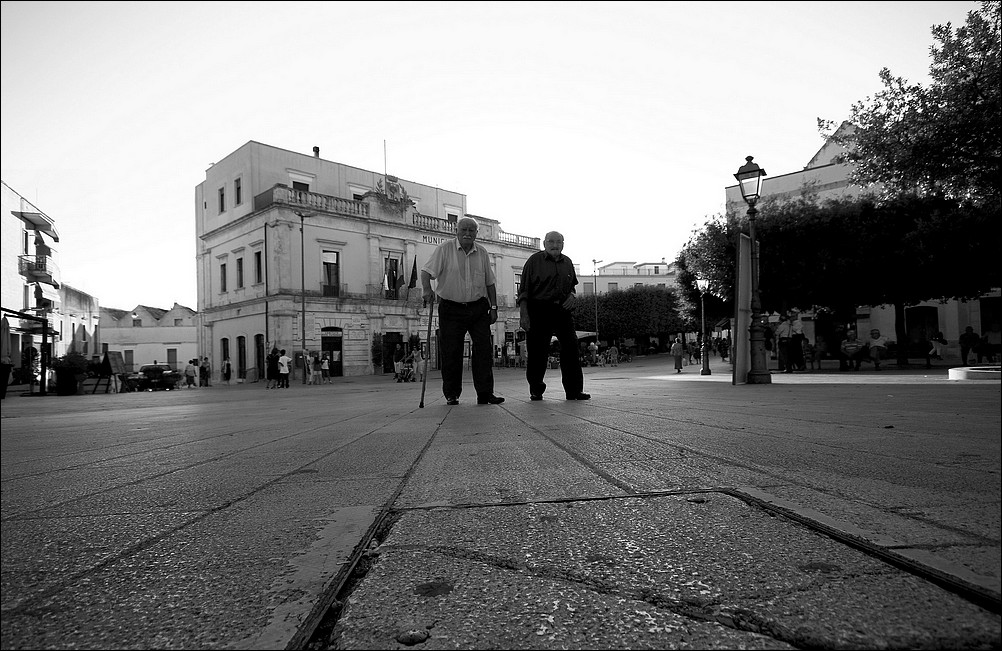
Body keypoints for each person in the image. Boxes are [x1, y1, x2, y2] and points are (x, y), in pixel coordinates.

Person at [421, 216, 504, 406]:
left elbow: (490, 283)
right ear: (456, 231)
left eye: (471, 230)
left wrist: (493, 307)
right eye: (464, 229)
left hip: (478, 307)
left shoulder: (482, 252)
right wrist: (426, 289)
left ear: (476, 233)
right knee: (451, 352)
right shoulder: (444, 249)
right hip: (451, 308)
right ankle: (452, 394)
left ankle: (485, 393)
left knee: (483, 350)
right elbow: (426, 272)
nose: (467, 233)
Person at [515, 231, 589, 401]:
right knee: (537, 352)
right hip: (539, 310)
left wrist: (572, 296)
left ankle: (574, 391)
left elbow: (572, 287)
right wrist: (524, 315)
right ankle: (536, 389)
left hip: (562, 310)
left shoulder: (567, 262)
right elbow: (524, 290)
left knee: (571, 348)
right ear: (544, 243)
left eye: (558, 242)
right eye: (551, 242)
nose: (555, 245)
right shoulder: (534, 261)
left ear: (563, 244)